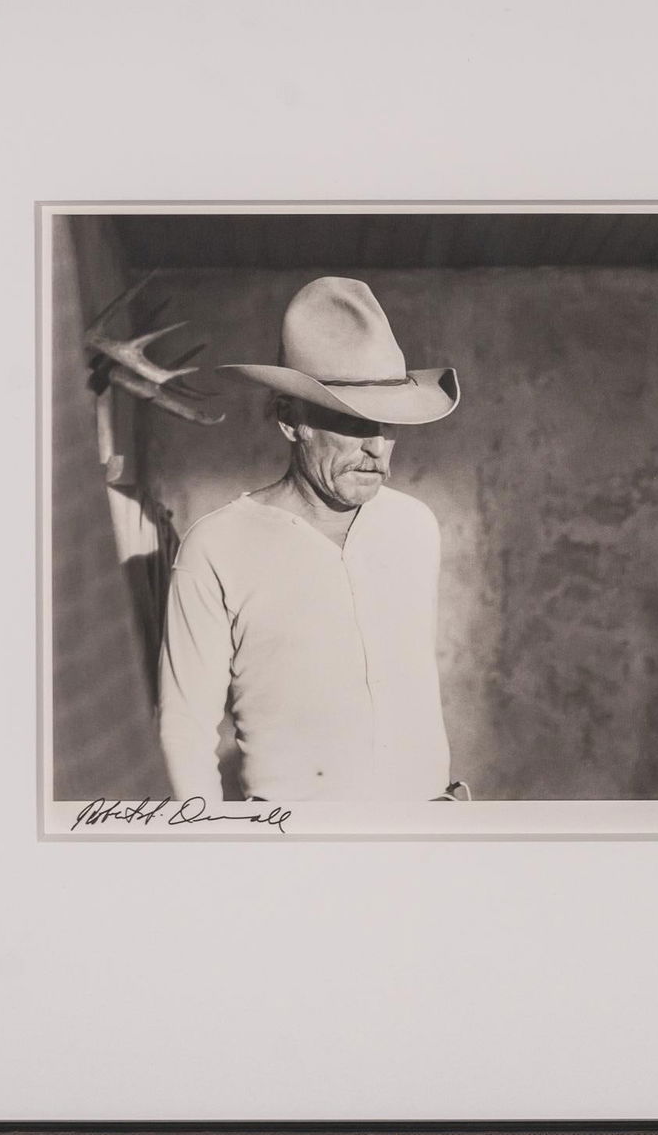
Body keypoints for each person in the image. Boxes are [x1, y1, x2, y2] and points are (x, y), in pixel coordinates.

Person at [156, 276, 461, 803]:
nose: (377, 449)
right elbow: (184, 732)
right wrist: (204, 844)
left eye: (389, 424)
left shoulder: (415, 526)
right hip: (292, 841)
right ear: (289, 420)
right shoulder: (216, 546)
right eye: (352, 423)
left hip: (428, 830)